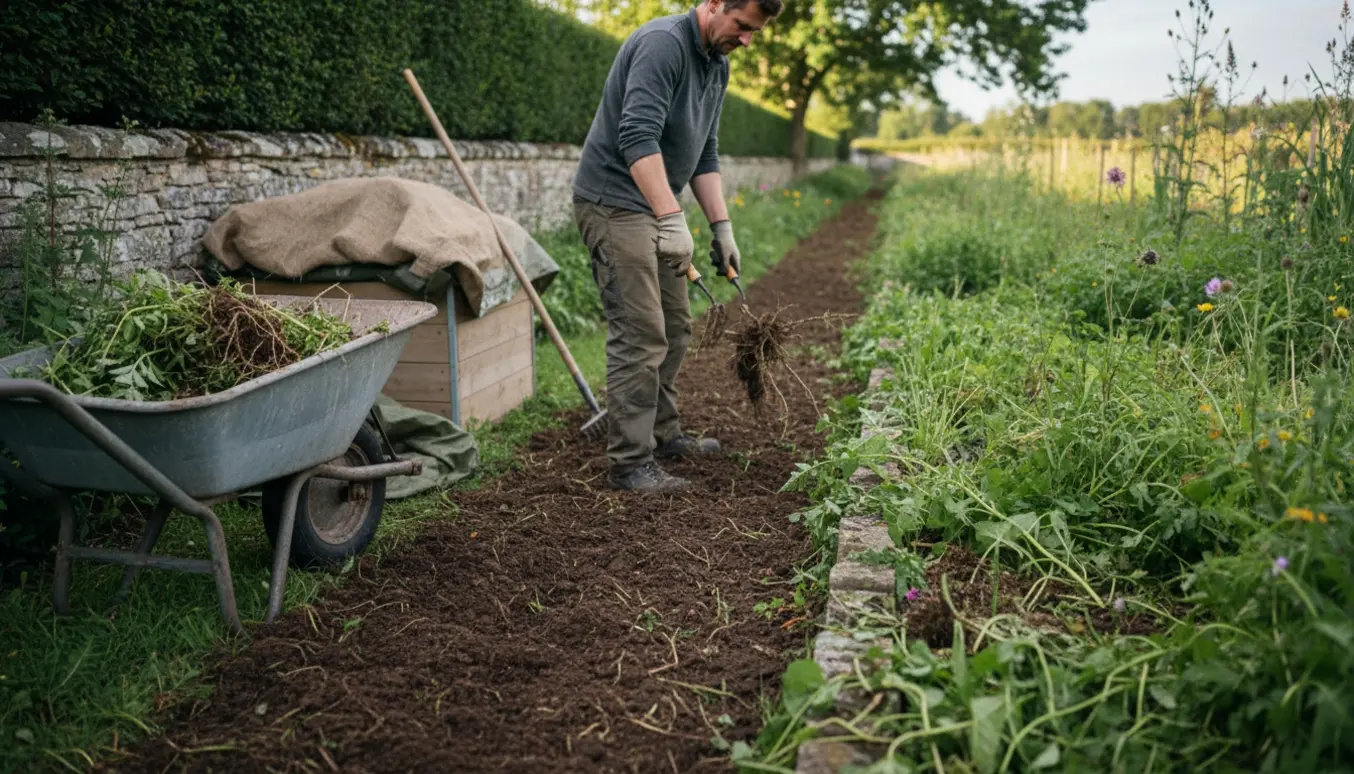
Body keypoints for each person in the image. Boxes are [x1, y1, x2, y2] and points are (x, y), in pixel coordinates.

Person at [571, 0, 782, 493]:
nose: (747, 39)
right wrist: (671, 216)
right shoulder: (662, 44)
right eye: (743, 25)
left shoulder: (717, 64)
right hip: (614, 204)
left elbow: (704, 152)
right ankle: (628, 463)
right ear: (712, 4)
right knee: (641, 333)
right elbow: (637, 138)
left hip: (654, 206)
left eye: (756, 32)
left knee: (676, 326)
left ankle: (663, 435)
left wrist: (721, 228)